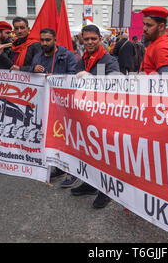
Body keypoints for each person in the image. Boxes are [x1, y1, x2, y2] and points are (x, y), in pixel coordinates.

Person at [70, 24, 119, 209]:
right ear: (82, 39)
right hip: (87, 114)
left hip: (104, 117)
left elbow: (116, 84)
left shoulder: (109, 60)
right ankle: (90, 184)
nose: (90, 42)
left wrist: (90, 78)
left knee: (104, 155)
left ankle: (105, 192)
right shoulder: (84, 58)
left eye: (93, 39)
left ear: (100, 39)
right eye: (86, 39)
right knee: (88, 152)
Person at [31, 28, 78, 187]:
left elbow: (72, 75)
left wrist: (56, 78)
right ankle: (58, 167)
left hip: (64, 105)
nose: (44, 43)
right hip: (45, 104)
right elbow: (31, 76)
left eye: (48, 40)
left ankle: (72, 172)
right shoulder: (37, 56)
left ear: (55, 40)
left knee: (67, 139)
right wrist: (33, 69)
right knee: (53, 137)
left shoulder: (67, 55)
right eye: (42, 40)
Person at [140, 6, 168, 74]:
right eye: (144, 24)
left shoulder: (162, 48)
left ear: (161, 27)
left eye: (149, 25)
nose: (144, 28)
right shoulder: (157, 42)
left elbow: (165, 81)